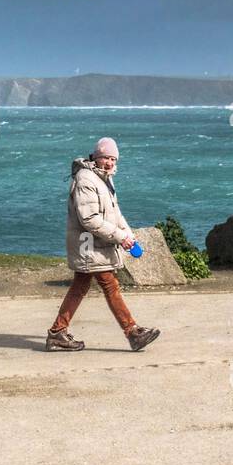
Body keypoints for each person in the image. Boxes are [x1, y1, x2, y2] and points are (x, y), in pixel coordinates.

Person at [47, 137, 160, 352]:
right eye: (106, 158)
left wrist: (128, 235)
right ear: (96, 157)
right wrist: (119, 237)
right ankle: (132, 332)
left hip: (96, 244)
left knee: (81, 286)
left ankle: (57, 332)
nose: (110, 163)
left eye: (113, 159)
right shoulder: (86, 179)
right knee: (110, 285)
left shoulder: (103, 178)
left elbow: (114, 213)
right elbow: (89, 219)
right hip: (88, 244)